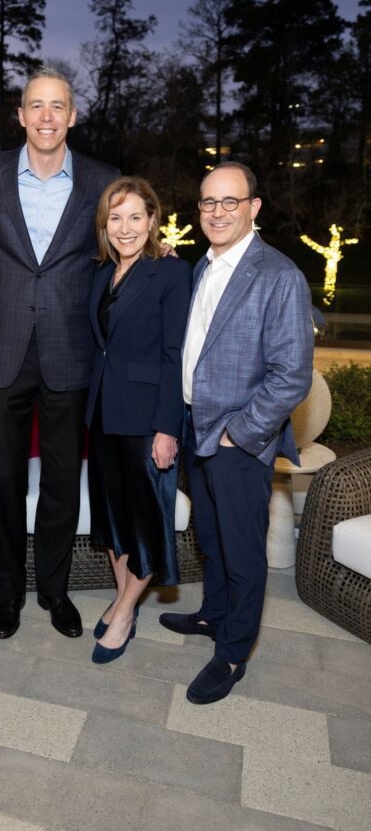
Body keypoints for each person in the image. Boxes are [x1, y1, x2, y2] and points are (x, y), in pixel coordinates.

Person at [0, 66, 118, 639]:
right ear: (21, 115)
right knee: (3, 478)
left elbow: (118, 254)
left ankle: (54, 591)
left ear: (73, 116)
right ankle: (8, 592)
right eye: (37, 106)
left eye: (59, 107)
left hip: (72, 351)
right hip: (3, 349)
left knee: (59, 479)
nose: (48, 117)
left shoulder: (104, 180)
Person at [159, 161, 313, 703]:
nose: (217, 212)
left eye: (230, 202)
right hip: (195, 429)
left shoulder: (278, 275)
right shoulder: (202, 267)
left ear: (254, 208)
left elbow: (291, 373)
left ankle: (233, 653)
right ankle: (215, 615)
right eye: (208, 202)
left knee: (244, 549)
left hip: (237, 442)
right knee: (213, 537)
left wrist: (240, 433)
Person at [86, 177, 191, 663]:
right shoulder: (99, 274)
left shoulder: (170, 273)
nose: (125, 228)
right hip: (103, 414)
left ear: (152, 220)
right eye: (115, 217)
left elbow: (176, 356)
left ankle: (126, 611)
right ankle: (120, 595)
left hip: (147, 420)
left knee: (146, 524)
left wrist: (168, 428)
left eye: (134, 217)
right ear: (104, 225)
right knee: (112, 519)